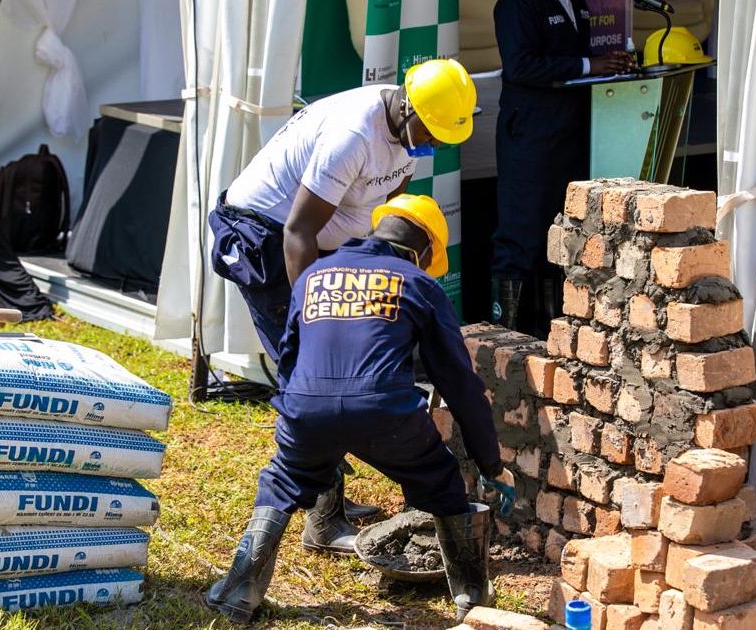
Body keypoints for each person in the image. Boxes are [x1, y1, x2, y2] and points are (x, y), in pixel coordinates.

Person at [205, 194, 517, 624]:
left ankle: (238, 592)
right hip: (386, 414)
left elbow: (289, 357)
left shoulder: (313, 275)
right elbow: (458, 382)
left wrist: (304, 427)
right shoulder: (417, 283)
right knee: (441, 481)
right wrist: (490, 463)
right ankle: (472, 597)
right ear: (424, 250)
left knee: (281, 481)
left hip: (306, 408)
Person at [208, 59, 478, 554]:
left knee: (339, 367)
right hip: (268, 239)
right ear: (408, 106)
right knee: (311, 373)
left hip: (317, 243)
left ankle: (326, 498)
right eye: (430, 133)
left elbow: (381, 217)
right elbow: (298, 232)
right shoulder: (353, 134)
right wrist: (312, 320)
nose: (432, 146)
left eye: (441, 139)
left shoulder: (408, 134)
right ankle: (323, 521)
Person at [491, 0, 634, 336]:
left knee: (562, 237)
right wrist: (589, 65)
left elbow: (569, 58)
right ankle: (504, 338)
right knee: (521, 238)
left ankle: (553, 334)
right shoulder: (516, 5)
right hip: (530, 138)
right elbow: (519, 66)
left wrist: (612, 65)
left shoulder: (576, 3)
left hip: (569, 136)